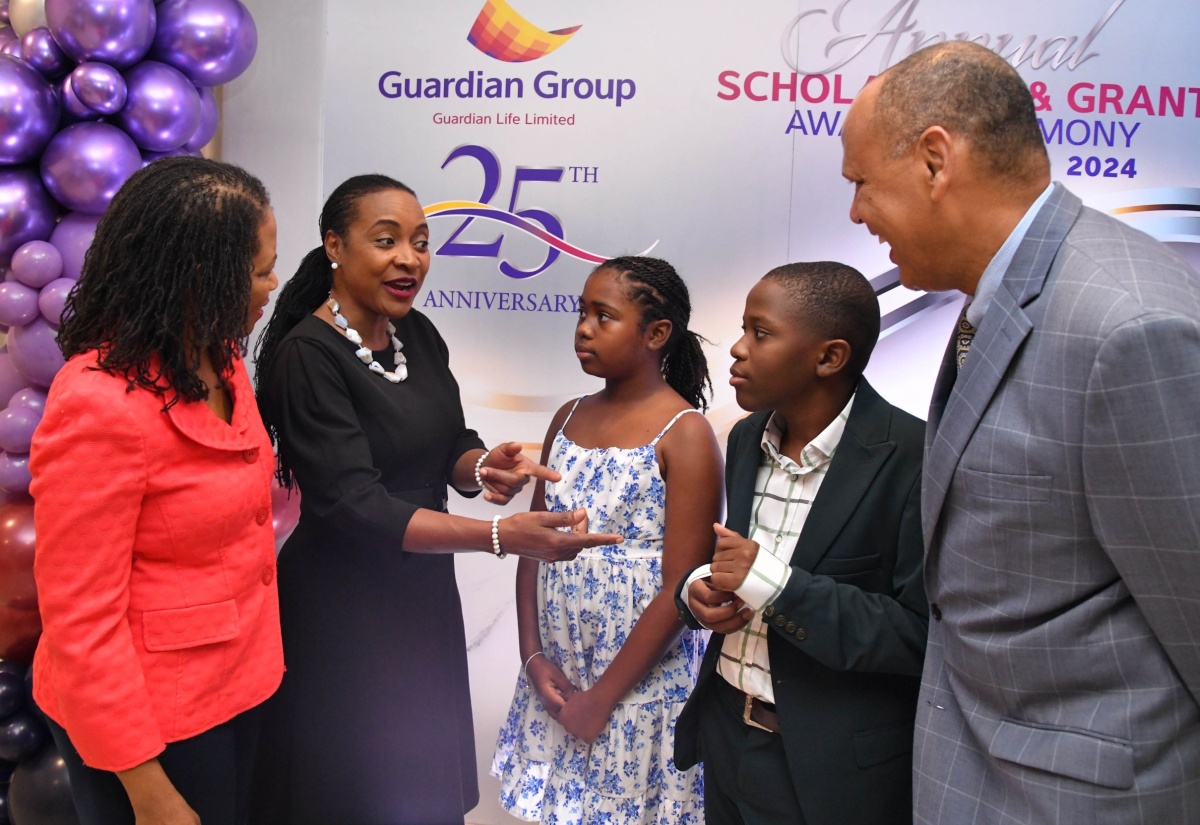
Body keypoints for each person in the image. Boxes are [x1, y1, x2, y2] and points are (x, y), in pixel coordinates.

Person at [840, 40, 1200, 823]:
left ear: (936, 160)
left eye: (863, 181)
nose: (855, 212)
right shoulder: (997, 295)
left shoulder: (1125, 327)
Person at [248, 174, 623, 825]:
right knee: (351, 789)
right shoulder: (306, 355)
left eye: (421, 242)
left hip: (419, 595)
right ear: (335, 245)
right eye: (386, 239)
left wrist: (481, 464)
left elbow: (448, 438)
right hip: (342, 607)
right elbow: (355, 503)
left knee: (417, 786)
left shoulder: (414, 333)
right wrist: (501, 534)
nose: (410, 258)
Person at [29, 157, 282, 825]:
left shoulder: (220, 357)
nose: (272, 285)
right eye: (259, 272)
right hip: (141, 722)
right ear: (203, 279)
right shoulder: (98, 403)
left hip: (235, 681)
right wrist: (149, 791)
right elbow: (80, 621)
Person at [671, 261, 927, 825]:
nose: (737, 349)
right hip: (726, 738)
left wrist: (773, 585)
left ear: (829, 357)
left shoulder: (914, 457)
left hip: (831, 773)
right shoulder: (744, 436)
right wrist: (696, 593)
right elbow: (727, 563)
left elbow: (917, 635)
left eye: (760, 333)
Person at [491, 256, 723, 823]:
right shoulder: (567, 416)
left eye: (604, 316)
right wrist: (532, 656)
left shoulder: (685, 433)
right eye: (581, 312)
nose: (584, 328)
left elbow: (683, 589)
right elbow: (534, 547)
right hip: (562, 677)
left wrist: (602, 698)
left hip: (636, 687)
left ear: (656, 334)